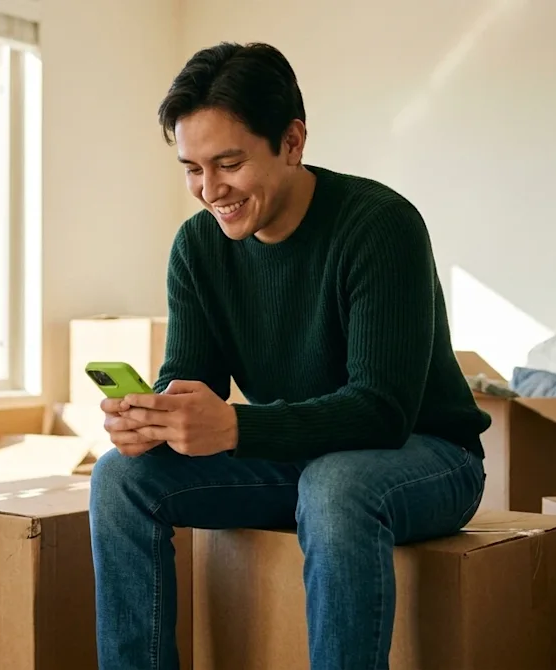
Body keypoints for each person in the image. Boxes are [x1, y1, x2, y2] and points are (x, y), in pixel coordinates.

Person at [87, 41, 491, 670]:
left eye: (229, 163)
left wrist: (239, 425)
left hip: (427, 456)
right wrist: (158, 418)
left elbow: (382, 410)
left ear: (293, 142)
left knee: (336, 485)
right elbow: (190, 377)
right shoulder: (198, 246)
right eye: (192, 168)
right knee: (119, 477)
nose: (209, 189)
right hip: (294, 458)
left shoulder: (379, 224)